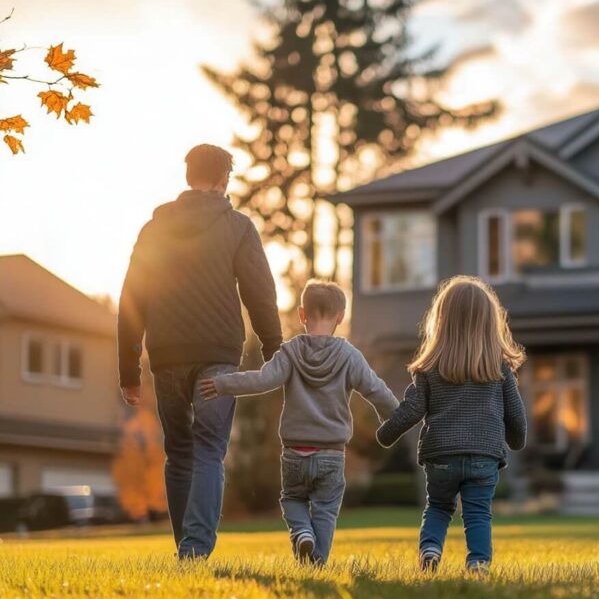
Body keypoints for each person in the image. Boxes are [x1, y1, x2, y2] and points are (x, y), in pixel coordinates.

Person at [117, 144, 282, 559]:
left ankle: (185, 549)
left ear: (188, 176)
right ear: (224, 179)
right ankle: (194, 549)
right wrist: (274, 348)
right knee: (209, 448)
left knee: (179, 453)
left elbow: (132, 298)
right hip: (218, 357)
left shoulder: (154, 228)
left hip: (168, 355)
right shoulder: (238, 227)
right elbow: (260, 293)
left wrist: (128, 369)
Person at [200, 279, 398, 565]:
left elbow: (262, 379)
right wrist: (398, 416)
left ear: (302, 314)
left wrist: (223, 384)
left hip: (295, 453)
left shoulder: (290, 353)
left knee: (292, 499)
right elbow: (376, 390)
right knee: (326, 508)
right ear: (340, 317)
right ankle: (317, 560)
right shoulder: (349, 356)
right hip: (331, 454)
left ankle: (302, 532)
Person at [376, 276, 527, 573]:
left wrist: (385, 434)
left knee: (438, 507)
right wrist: (515, 440)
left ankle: (430, 552)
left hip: (441, 456)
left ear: (441, 321)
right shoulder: (500, 368)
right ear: (489, 323)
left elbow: (412, 409)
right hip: (484, 456)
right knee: (478, 513)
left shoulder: (430, 367)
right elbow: (517, 417)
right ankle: (478, 563)